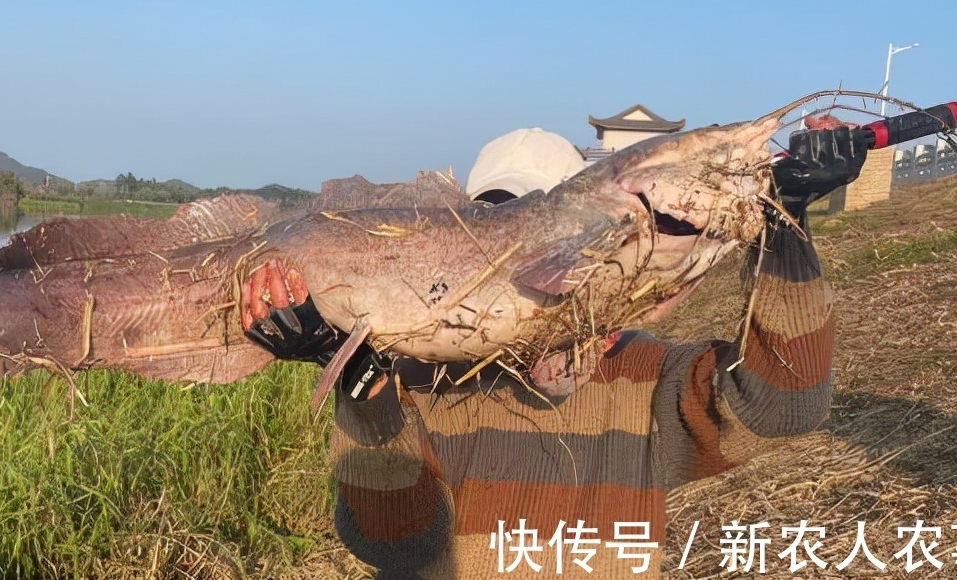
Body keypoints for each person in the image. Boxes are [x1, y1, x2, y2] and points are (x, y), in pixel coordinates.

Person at [239, 125, 869, 579]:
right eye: (493, 227)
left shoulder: (641, 376)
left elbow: (783, 405)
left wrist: (782, 229)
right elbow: (398, 547)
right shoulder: (411, 378)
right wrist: (359, 385)